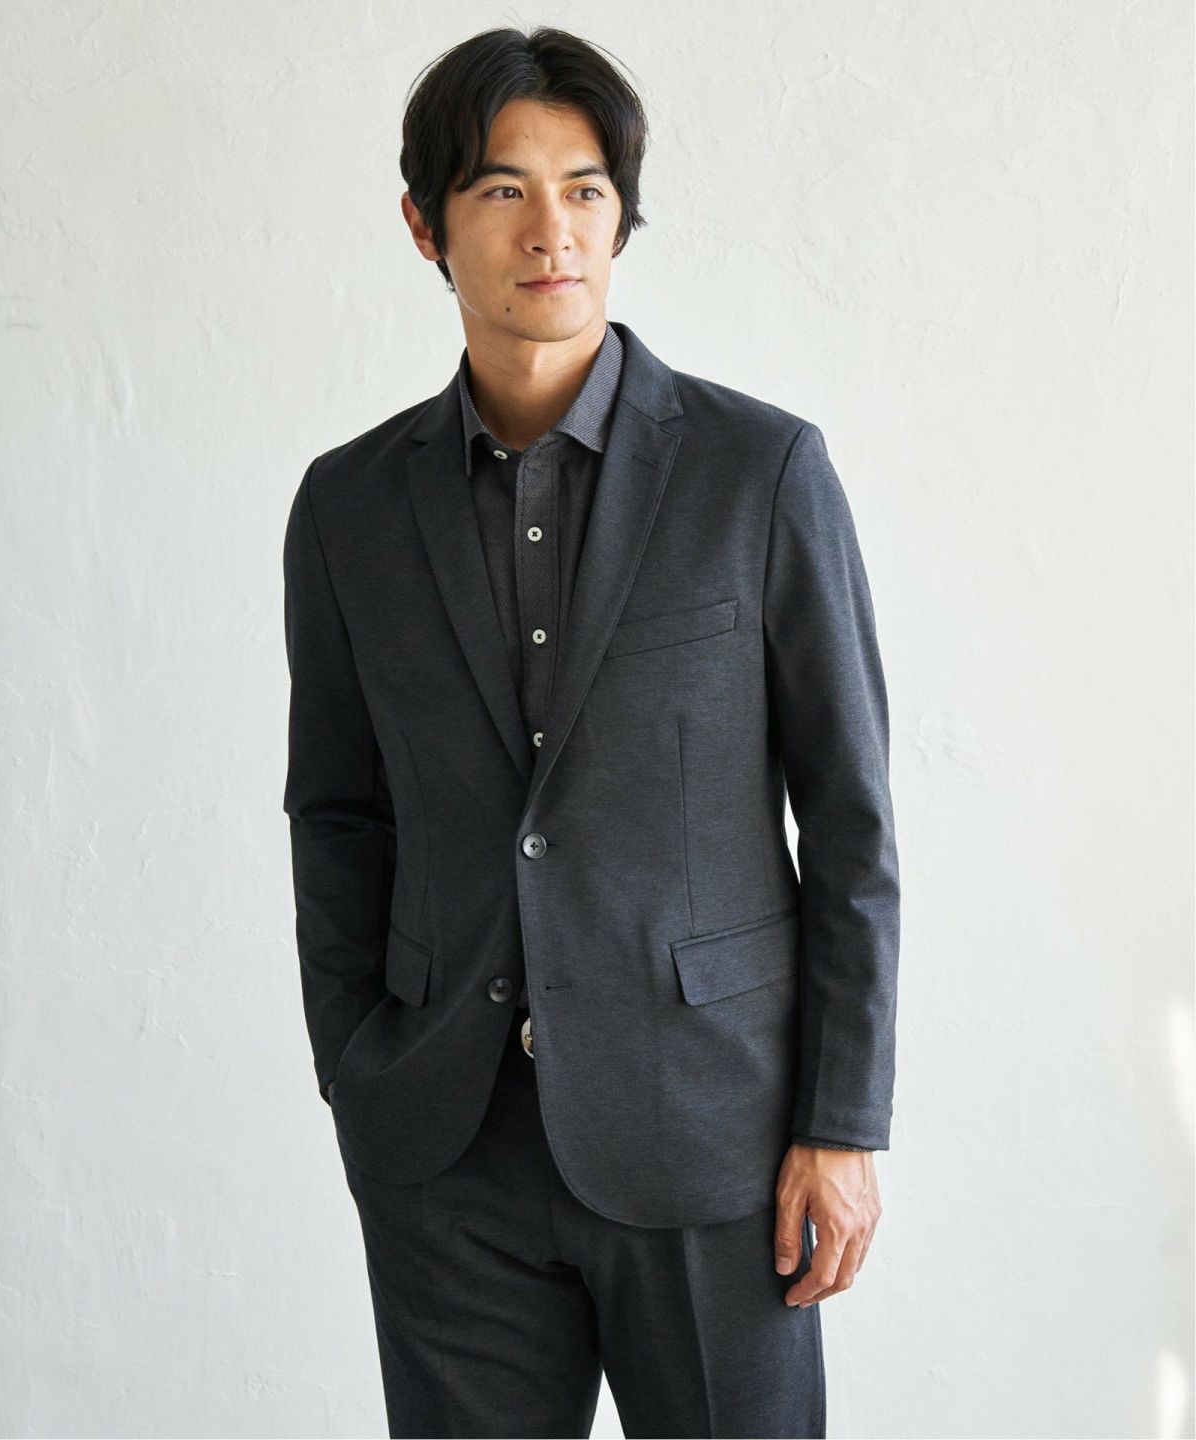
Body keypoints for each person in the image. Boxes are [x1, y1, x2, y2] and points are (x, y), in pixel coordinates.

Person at [282, 24, 900, 1439]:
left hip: (715, 1141)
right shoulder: (349, 508)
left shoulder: (759, 471)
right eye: (502, 190)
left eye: (585, 190)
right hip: (447, 1154)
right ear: (425, 225)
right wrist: (358, 1067)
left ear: (622, 219)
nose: (549, 229)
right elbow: (337, 811)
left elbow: (850, 818)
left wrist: (843, 1121)